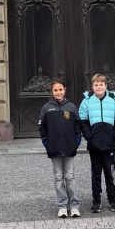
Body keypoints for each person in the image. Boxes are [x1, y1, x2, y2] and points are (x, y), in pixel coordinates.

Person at [79, 73, 115, 213]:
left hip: (109, 144)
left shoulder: (114, 100)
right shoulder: (87, 101)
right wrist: (89, 136)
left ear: (106, 86)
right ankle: (96, 201)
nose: (98, 87)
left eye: (101, 84)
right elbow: (83, 121)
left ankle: (113, 200)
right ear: (92, 86)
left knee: (110, 174)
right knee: (96, 173)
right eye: (96, 85)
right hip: (94, 144)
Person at [38, 79, 82, 218]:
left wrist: (76, 142)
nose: (58, 92)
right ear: (52, 92)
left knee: (70, 177)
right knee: (58, 177)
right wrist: (47, 143)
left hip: (69, 148)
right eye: (55, 90)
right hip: (54, 148)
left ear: (65, 90)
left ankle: (74, 206)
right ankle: (62, 206)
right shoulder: (46, 108)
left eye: (60, 89)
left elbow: (78, 127)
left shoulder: (71, 107)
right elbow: (42, 128)